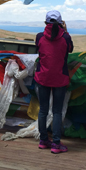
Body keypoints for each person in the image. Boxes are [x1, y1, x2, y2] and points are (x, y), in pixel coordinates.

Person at [34, 10, 73, 154]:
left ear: (45, 23)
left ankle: (43, 141)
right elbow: (69, 50)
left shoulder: (39, 37)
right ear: (61, 23)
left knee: (43, 110)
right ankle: (56, 144)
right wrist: (65, 31)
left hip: (42, 77)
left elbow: (39, 49)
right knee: (57, 111)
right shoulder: (66, 37)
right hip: (60, 78)